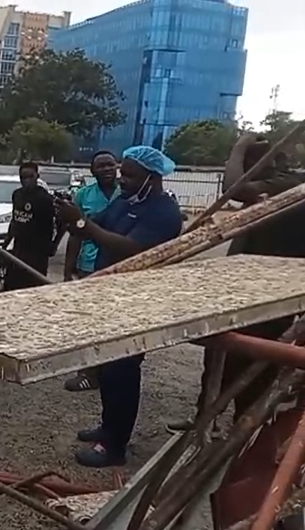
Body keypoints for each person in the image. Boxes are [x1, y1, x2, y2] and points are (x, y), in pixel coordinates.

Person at [55, 145, 183, 468]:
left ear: (151, 178)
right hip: (109, 298)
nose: (122, 179)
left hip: (135, 302)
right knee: (107, 369)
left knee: (123, 371)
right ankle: (108, 427)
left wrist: (84, 226)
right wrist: (70, 216)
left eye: (129, 174)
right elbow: (93, 224)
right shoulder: (125, 203)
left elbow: (130, 248)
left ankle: (115, 446)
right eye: (123, 173)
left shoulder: (164, 212)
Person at [167, 134, 305, 433]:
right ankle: (206, 420)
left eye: (247, 164)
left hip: (268, 293)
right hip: (240, 289)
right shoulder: (272, 190)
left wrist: (238, 145)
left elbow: (235, 188)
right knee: (219, 356)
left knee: (255, 364)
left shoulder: (288, 185)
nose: (243, 170)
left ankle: (243, 430)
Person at [62, 150, 121, 393]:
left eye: (110, 164)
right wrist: (68, 269)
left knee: (116, 322)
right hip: (90, 266)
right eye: (101, 166)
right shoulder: (83, 195)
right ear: (92, 171)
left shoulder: (127, 194)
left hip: (121, 266)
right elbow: (75, 233)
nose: (107, 169)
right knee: (89, 321)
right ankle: (87, 372)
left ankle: (112, 371)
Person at [2, 162, 60, 291]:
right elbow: (15, 219)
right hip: (18, 249)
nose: (26, 181)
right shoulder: (17, 195)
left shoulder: (46, 199)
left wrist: (54, 244)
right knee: (11, 287)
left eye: (30, 177)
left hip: (38, 253)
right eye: (23, 177)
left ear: (37, 176)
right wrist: (5, 245)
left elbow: (62, 222)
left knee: (34, 288)